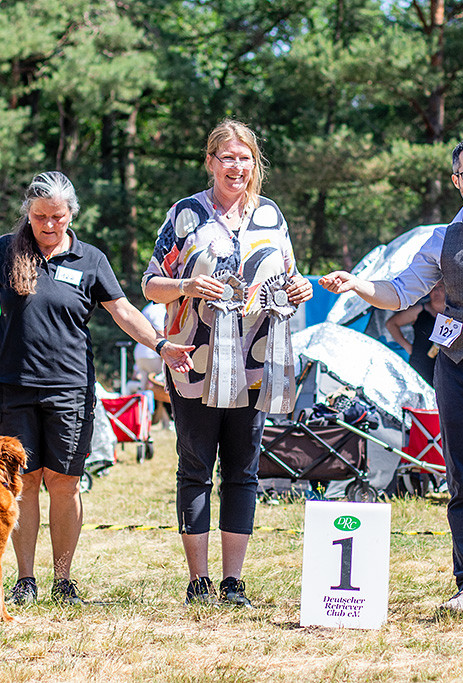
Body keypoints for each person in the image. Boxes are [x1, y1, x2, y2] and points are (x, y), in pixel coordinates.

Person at [320, 136, 463, 612]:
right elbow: (400, 291)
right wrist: (356, 284)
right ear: (456, 181)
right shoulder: (439, 240)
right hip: (457, 372)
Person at [0, 171, 194, 607]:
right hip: (13, 387)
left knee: (64, 484)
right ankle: (26, 580)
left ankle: (63, 580)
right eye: (39, 216)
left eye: (57, 217)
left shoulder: (91, 259)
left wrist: (160, 345)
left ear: (70, 215)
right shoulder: (7, 250)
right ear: (28, 212)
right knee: (19, 482)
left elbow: (121, 311)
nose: (47, 225)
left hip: (71, 391)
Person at [142, 119, 312, 607]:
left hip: (257, 364)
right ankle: (198, 582)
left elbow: (289, 276)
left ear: (254, 163)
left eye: (245, 158)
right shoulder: (185, 215)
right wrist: (187, 287)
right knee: (195, 466)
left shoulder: (271, 215)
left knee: (243, 469)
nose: (236, 167)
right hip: (194, 362)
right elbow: (150, 284)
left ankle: (233, 582)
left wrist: (299, 288)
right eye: (227, 158)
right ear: (211, 161)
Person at [385, 279, 446, 385]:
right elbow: (391, 324)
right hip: (420, 365)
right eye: (433, 288)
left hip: (446, 367)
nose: (436, 291)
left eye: (439, 287)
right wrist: (407, 347)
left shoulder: (455, 312)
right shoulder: (419, 310)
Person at [133, 301, 171, 428]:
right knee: (162, 388)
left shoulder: (147, 308)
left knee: (144, 390)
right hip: (153, 353)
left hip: (140, 353)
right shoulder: (159, 309)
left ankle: (142, 422)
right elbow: (160, 333)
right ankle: (166, 422)